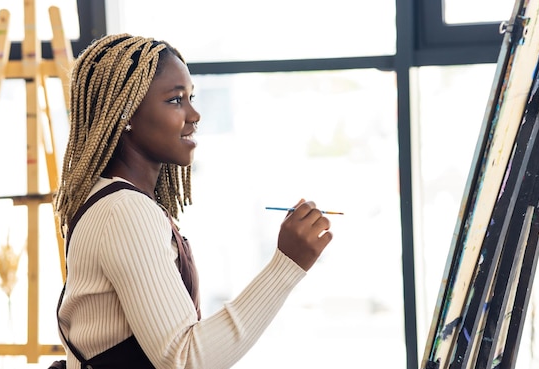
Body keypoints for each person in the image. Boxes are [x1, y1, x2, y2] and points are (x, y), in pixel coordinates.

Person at [53, 33, 333, 369]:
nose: (195, 114)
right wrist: (286, 265)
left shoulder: (112, 200)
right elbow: (185, 359)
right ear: (124, 113)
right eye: (175, 100)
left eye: (192, 97)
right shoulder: (124, 211)